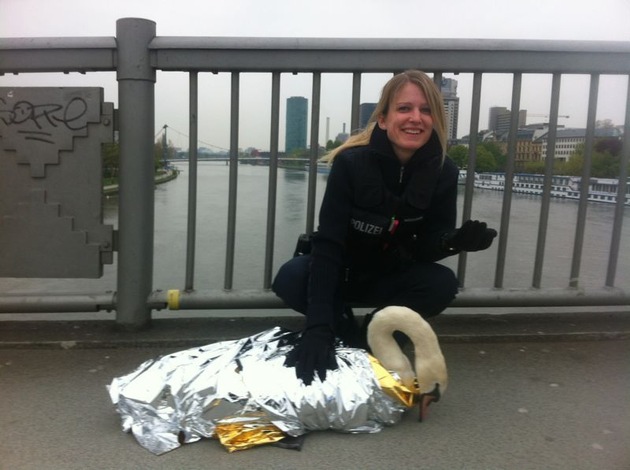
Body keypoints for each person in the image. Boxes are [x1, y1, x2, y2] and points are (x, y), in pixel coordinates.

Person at [272, 70, 496, 385]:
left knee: (442, 284)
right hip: (344, 273)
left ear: (436, 119)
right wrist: (318, 327)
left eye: (426, 110)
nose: (415, 118)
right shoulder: (350, 164)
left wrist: (452, 242)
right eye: (404, 108)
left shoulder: (443, 171)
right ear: (383, 118)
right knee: (290, 277)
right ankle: (339, 329)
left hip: (393, 275)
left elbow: (426, 247)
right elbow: (329, 244)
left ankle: (370, 338)